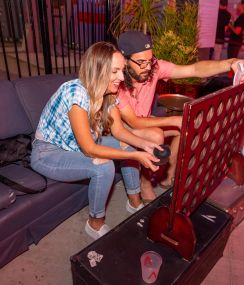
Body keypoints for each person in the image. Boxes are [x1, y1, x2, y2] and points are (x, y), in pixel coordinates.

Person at [30, 42, 161, 240]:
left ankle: (135, 203)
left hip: (76, 145)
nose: (120, 77)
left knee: (129, 143)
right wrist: (135, 155)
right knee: (104, 166)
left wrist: (144, 145)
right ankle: (95, 222)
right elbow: (89, 149)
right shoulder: (76, 93)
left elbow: (119, 131)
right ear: (98, 70)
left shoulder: (108, 92)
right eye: (114, 71)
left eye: (121, 70)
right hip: (48, 152)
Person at [116, 31, 244, 202]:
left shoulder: (153, 68)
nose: (148, 67)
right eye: (141, 63)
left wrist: (230, 63)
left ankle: (168, 177)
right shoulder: (116, 80)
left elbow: (194, 69)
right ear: (124, 60)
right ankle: (145, 182)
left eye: (149, 61)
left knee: (183, 129)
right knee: (156, 133)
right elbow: (133, 121)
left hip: (146, 120)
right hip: (124, 128)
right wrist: (174, 120)